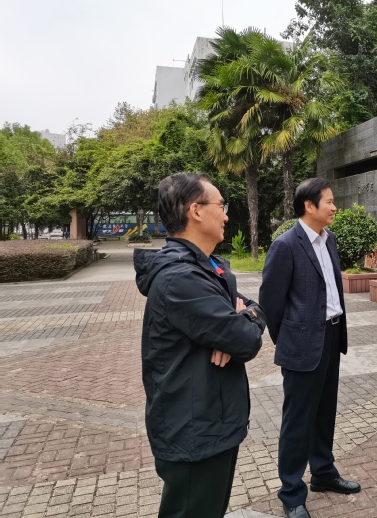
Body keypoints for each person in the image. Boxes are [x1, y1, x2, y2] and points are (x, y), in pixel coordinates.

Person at [134, 172, 266, 518]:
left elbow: (254, 309)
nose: (226, 216)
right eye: (221, 206)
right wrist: (237, 326)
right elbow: (247, 340)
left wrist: (241, 318)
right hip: (195, 430)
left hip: (212, 422)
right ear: (195, 210)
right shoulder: (182, 278)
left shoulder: (205, 268)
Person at [259, 178, 360, 518]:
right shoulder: (286, 245)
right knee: (297, 420)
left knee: (324, 411)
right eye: (329, 201)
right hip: (301, 344)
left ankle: (323, 472)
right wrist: (287, 338)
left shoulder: (329, 239)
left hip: (331, 336)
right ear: (309, 205)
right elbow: (270, 302)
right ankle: (291, 492)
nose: (334, 207)